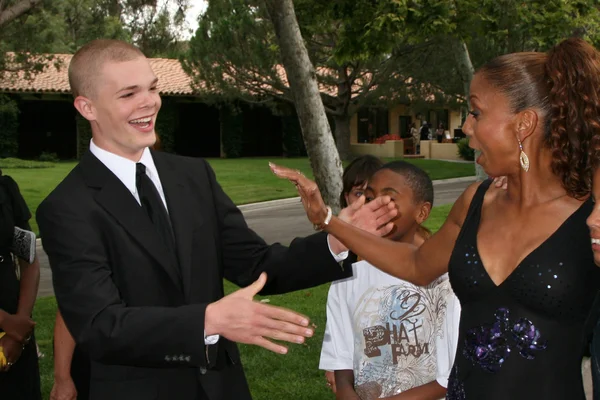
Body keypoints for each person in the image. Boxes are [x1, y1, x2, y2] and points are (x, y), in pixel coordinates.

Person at [36, 39, 395, 400]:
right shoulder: (68, 207)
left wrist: (337, 240)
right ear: (87, 107)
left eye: (153, 88)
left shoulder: (193, 176)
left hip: (221, 388)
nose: (149, 102)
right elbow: (100, 326)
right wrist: (210, 320)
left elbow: (255, 263)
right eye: (129, 94)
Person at [271, 37, 600, 399]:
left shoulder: (591, 213)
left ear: (524, 124)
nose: (467, 128)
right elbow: (416, 264)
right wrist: (329, 220)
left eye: (476, 113)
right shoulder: (476, 202)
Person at [320, 161, 459, 399]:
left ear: (422, 212)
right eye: (370, 197)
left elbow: (453, 375)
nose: (377, 207)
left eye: (389, 199)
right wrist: (345, 391)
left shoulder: (447, 279)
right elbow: (341, 358)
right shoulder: (347, 279)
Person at [322, 155, 384, 393]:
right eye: (358, 193)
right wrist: (333, 366)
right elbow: (339, 315)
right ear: (346, 197)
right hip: (359, 368)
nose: (366, 202)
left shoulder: (407, 251)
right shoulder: (342, 259)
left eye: (373, 194)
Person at [0, 170, 41, 399]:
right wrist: (6, 321)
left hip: (17, 323)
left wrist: (19, 326)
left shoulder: (5, 188)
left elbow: (29, 258)